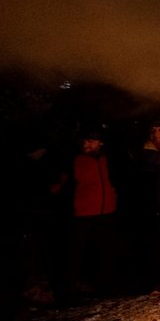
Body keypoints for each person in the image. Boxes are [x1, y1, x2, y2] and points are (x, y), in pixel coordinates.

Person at [60, 126, 125, 299]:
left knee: (105, 251)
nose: (85, 144)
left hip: (106, 212)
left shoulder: (108, 159)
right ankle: (68, 289)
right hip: (81, 214)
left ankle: (105, 286)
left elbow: (117, 180)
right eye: (84, 140)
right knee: (75, 252)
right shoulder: (73, 159)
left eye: (90, 141)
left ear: (100, 143)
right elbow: (60, 185)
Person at [131, 120, 160, 293]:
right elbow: (144, 182)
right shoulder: (146, 154)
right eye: (153, 129)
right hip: (151, 206)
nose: (155, 133)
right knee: (154, 245)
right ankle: (156, 280)